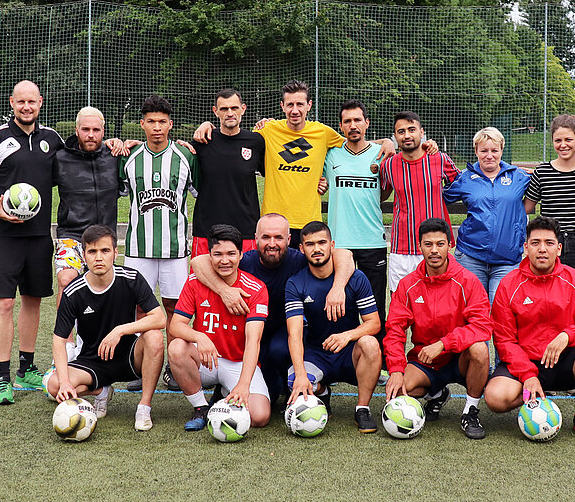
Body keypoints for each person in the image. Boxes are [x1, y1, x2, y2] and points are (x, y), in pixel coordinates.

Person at [193, 80, 396, 248]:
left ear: (309, 105)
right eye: (290, 105)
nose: (295, 110)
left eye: (300, 104)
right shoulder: (267, 131)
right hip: (274, 224)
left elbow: (354, 139)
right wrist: (208, 125)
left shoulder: (323, 133)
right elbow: (234, 134)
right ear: (282, 106)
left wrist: (386, 141)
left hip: (309, 223)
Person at [189, 213, 355, 410]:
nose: (272, 243)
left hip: (286, 333)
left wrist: (337, 287)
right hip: (249, 332)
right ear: (256, 238)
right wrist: (225, 291)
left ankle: (295, 387)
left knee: (278, 352)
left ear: (289, 240)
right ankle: (224, 386)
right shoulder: (244, 261)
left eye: (278, 238)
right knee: (240, 351)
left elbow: (345, 255)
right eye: (266, 237)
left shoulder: (299, 260)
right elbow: (198, 262)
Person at [0, 79, 64, 405]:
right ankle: (3, 377)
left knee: (33, 300)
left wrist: (116, 144)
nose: (26, 107)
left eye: (31, 102)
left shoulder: (52, 139)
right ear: (12, 102)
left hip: (39, 235)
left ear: (40, 102)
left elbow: (81, 157)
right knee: (5, 303)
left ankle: (27, 367)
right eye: (20, 101)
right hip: (4, 235)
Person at [484, 216, 575, 440]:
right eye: (535, 243)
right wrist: (528, 374)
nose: (542, 249)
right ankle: (537, 395)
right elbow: (504, 340)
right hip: (525, 363)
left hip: (567, 363)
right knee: (495, 398)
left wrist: (567, 335)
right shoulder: (509, 285)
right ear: (526, 248)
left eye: (549, 243)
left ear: (559, 248)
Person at [47, 225, 166, 431]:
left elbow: (159, 318)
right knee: (54, 385)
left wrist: (120, 330)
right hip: (92, 360)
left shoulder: (131, 279)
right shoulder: (74, 291)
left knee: (154, 337)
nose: (99, 257)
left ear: (115, 253)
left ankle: (144, 407)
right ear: (84, 255)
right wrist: (66, 382)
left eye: (105, 251)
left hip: (129, 357)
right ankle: (101, 391)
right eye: (92, 252)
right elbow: (59, 339)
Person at [383, 218, 492, 439]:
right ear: (419, 246)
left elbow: (482, 327)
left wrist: (444, 344)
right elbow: (395, 329)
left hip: (461, 357)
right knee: (399, 394)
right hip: (426, 360)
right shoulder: (408, 285)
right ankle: (437, 393)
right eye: (428, 244)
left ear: (450, 244)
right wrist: (395, 370)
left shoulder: (468, 281)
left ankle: (470, 411)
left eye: (440, 244)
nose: (434, 250)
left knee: (480, 348)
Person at [119, 94, 199, 392]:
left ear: (170, 124)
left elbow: (200, 192)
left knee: (176, 310)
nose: (156, 127)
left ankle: (174, 368)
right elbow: (118, 191)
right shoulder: (129, 158)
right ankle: (144, 366)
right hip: (138, 250)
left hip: (175, 250)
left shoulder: (185, 157)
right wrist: (116, 144)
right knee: (141, 310)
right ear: (142, 124)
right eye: (151, 122)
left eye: (162, 122)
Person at [168, 224, 271, 431]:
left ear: (241, 255)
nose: (225, 260)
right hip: (206, 359)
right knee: (177, 348)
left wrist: (243, 384)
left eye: (231, 253)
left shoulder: (256, 289)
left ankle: (227, 390)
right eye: (218, 254)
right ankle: (201, 407)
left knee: (260, 417)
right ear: (210, 256)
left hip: (237, 362)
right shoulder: (195, 281)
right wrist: (200, 337)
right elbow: (175, 326)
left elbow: (254, 341)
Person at [285, 221, 382, 433]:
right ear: (301, 249)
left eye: (322, 242)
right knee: (294, 380)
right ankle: (321, 392)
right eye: (310, 244)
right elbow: (295, 333)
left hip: (349, 353)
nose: (317, 249)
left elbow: (374, 323)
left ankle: (362, 408)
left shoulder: (356, 278)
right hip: (317, 354)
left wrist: (347, 336)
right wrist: (301, 374)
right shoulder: (295, 283)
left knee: (370, 343)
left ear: (332, 245)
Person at [52, 106, 122, 360]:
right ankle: (65, 348)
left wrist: (126, 142)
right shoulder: (60, 158)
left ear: (104, 131)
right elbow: (31, 176)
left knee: (102, 290)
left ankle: (94, 349)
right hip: (72, 233)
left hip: (104, 237)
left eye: (96, 130)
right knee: (67, 279)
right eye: (86, 129)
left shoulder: (114, 155)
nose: (91, 135)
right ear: (76, 130)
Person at [322, 99, 388, 342]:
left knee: (376, 306)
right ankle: (341, 359)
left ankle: (378, 361)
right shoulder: (331, 155)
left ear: (367, 123)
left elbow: (386, 189)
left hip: (373, 240)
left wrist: (388, 141)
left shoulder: (381, 154)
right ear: (340, 126)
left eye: (357, 120)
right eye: (347, 121)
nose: (353, 125)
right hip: (339, 241)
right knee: (340, 303)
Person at [443, 126, 530, 305]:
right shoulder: (464, 178)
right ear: (476, 151)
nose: (489, 155)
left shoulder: (519, 176)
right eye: (484, 150)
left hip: (507, 258)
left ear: (501, 150)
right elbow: (436, 198)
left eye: (494, 150)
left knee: (501, 311)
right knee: (473, 311)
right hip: (470, 256)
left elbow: (546, 184)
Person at [381, 111, 460, 294]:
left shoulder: (440, 159)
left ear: (422, 132)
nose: (407, 135)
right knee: (400, 304)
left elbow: (464, 185)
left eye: (411, 130)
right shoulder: (388, 165)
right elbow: (380, 194)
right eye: (401, 132)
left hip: (435, 246)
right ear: (395, 137)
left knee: (440, 304)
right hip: (401, 247)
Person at [524, 115, 575, 286]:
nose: (563, 145)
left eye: (568, 139)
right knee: (548, 299)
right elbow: (524, 209)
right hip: (550, 244)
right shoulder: (543, 172)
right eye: (558, 140)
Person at [189, 89, 265, 258]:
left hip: (245, 229)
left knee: (245, 282)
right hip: (207, 230)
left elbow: (277, 171)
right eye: (224, 109)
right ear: (215, 111)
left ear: (243, 109)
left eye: (234, 108)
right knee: (202, 281)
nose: (230, 113)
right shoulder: (202, 140)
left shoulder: (256, 141)